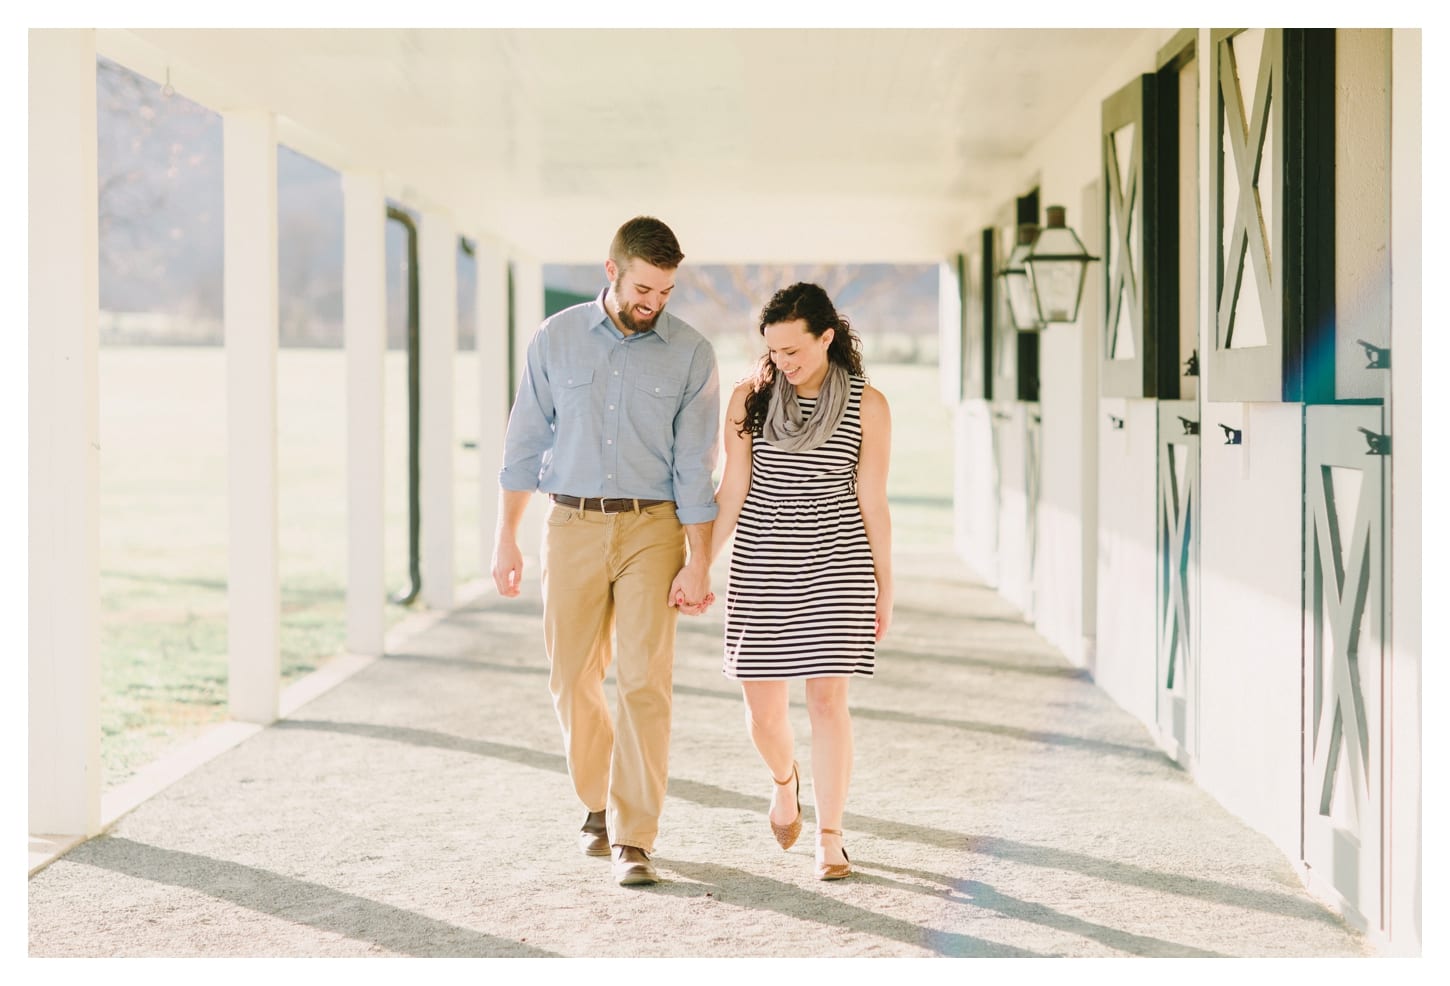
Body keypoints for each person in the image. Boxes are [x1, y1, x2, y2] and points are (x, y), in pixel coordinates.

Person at [491, 216, 720, 888]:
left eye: (667, 292)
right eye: (644, 289)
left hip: (654, 529)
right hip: (573, 526)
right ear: (611, 272)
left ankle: (635, 836)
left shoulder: (691, 354)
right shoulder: (555, 340)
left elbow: (695, 469)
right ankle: (597, 800)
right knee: (571, 677)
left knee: (645, 681)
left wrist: (700, 559)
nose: (654, 304)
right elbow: (524, 443)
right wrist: (506, 536)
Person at [709, 281, 893, 881]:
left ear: (828, 337)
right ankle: (784, 782)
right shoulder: (749, 399)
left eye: (795, 351)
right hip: (762, 567)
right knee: (764, 715)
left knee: (826, 702)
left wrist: (884, 588)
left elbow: (873, 501)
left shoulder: (869, 404)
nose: (784, 363)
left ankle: (831, 836)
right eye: (775, 352)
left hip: (838, 566)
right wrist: (698, 563)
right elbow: (730, 492)